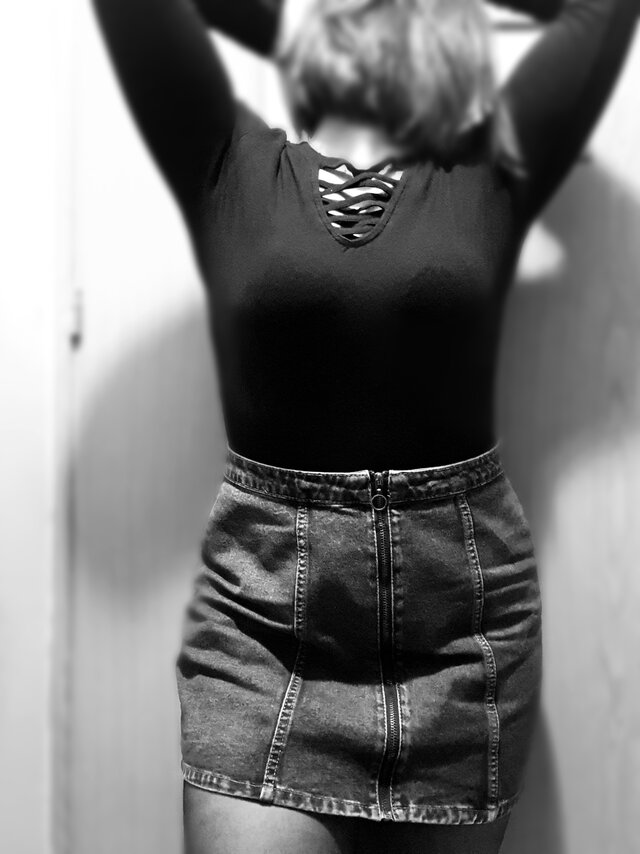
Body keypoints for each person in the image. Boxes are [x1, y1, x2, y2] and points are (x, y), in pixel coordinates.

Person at [91, 0, 638, 852]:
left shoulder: (493, 167)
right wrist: (294, 27)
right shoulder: (225, 157)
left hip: (461, 641)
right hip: (264, 637)